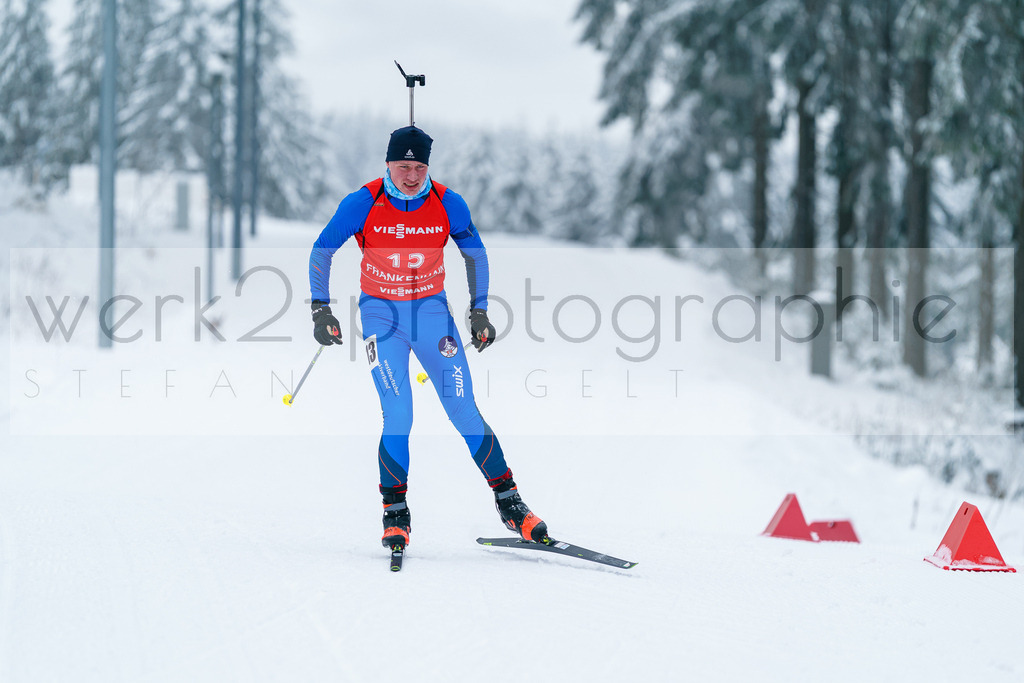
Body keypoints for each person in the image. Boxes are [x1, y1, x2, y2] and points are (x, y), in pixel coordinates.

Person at [308, 125, 548, 553]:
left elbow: (475, 253)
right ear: (388, 164)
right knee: (399, 415)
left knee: (464, 410)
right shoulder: (363, 203)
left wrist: (479, 311)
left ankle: (511, 504)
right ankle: (395, 513)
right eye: (404, 166)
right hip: (382, 318)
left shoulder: (447, 203)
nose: (412, 175)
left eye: (420, 166)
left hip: (432, 317)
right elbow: (323, 248)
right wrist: (320, 308)